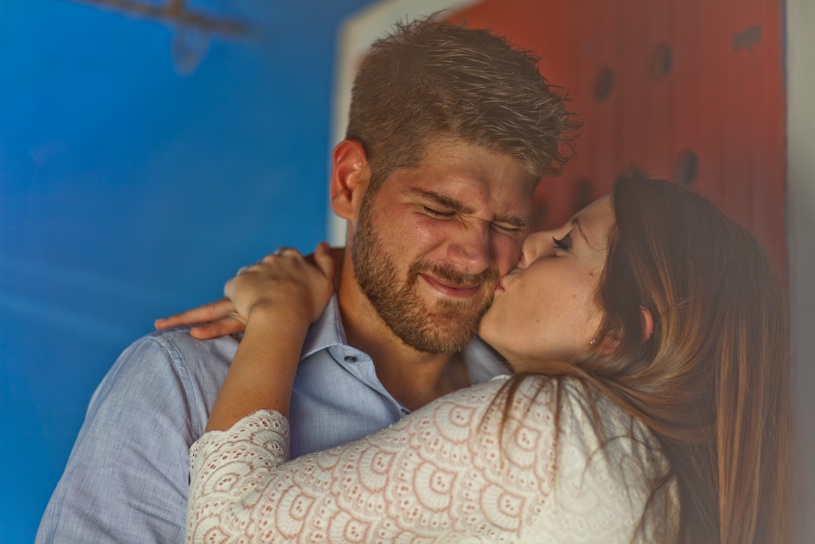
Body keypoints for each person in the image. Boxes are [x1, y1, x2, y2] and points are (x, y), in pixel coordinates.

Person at [36, 17, 576, 543]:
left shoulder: (536, 400)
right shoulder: (182, 386)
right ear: (349, 183)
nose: (477, 257)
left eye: (507, 224)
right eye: (439, 208)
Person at [184, 175, 794, 543]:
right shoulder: (662, 478)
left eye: (564, 244)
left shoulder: (554, 430)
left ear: (621, 335)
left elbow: (226, 530)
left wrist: (280, 312)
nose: (523, 244)